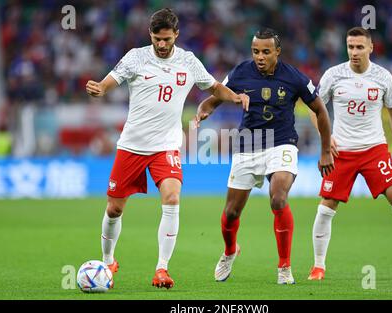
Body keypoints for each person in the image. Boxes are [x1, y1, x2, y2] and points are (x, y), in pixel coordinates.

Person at [85, 8, 249, 289]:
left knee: (172, 199)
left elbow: (213, 87)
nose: (161, 45)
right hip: (132, 145)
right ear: (150, 35)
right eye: (157, 39)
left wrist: (235, 97)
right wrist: (100, 88)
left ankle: (162, 269)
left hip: (167, 146)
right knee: (114, 208)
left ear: (176, 35)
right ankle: (108, 259)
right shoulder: (136, 57)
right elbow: (109, 81)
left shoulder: (188, 61)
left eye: (167, 39)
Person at [195, 28, 334, 284]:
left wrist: (326, 150)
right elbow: (215, 97)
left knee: (278, 197)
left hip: (282, 143)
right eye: (256, 51)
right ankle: (229, 251)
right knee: (232, 212)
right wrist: (204, 109)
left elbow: (320, 111)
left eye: (266, 52)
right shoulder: (240, 72)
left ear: (277, 52)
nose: (260, 56)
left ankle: (284, 267)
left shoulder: (295, 78)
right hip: (247, 146)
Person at [308, 27, 392, 280]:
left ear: (370, 48)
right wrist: (327, 139)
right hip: (341, 151)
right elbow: (315, 110)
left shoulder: (383, 77)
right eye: (350, 47)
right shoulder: (334, 75)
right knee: (326, 207)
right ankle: (318, 267)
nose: (354, 52)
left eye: (359, 47)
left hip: (374, 150)